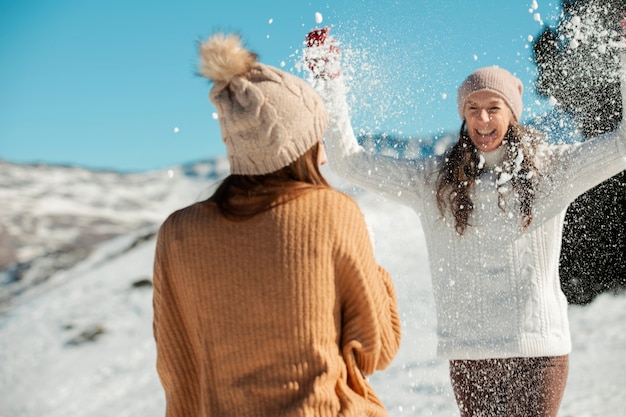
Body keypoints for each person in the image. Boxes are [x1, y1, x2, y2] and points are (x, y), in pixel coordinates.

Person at [304, 26, 626, 417]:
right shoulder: (434, 181)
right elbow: (348, 161)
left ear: (512, 113)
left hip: (538, 351)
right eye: (472, 109)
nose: (483, 118)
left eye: (494, 107)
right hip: (470, 355)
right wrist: (328, 78)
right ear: (462, 116)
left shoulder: (550, 170)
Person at [152, 32, 401, 417]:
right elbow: (378, 348)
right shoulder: (331, 213)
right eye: (317, 140)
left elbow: (177, 368)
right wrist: (373, 268)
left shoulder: (178, 234)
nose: (322, 158)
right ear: (298, 148)